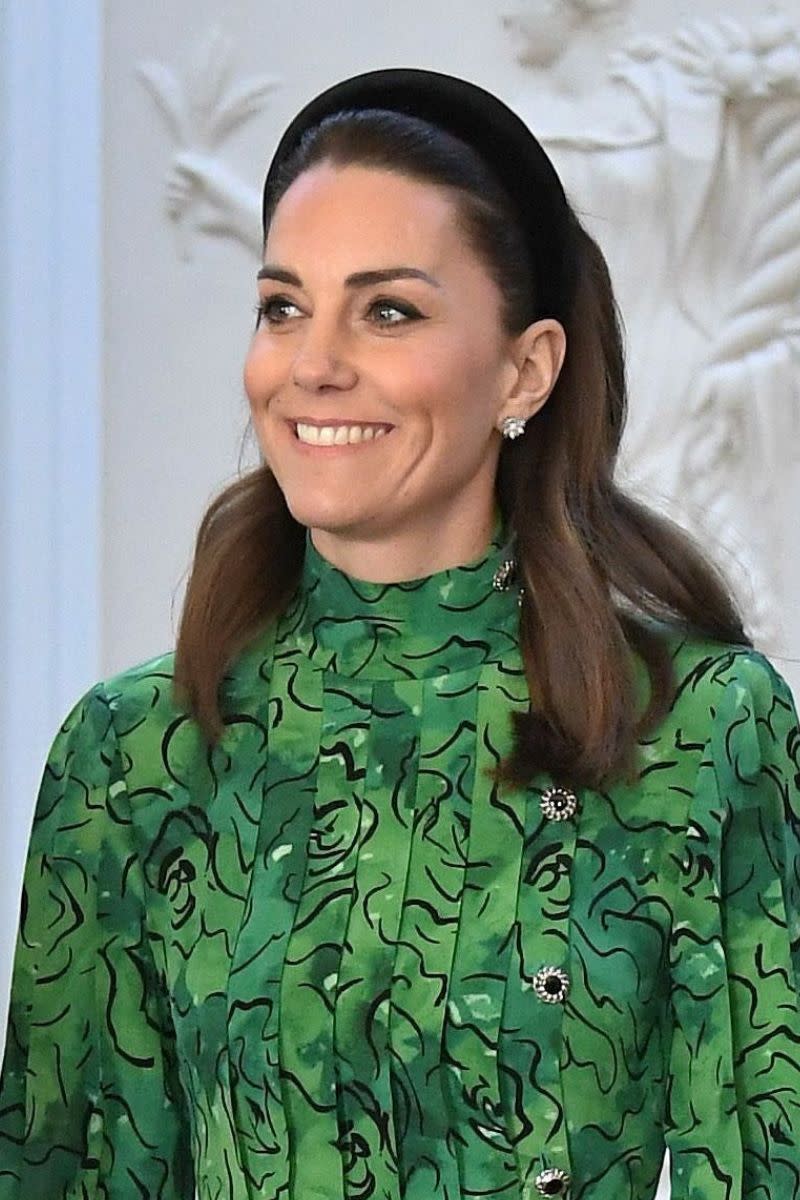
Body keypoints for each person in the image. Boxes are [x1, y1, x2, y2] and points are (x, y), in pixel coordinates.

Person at [0, 67, 798, 1200]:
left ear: (523, 369)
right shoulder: (133, 755)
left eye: (388, 310)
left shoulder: (701, 731)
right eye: (283, 306)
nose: (313, 363)